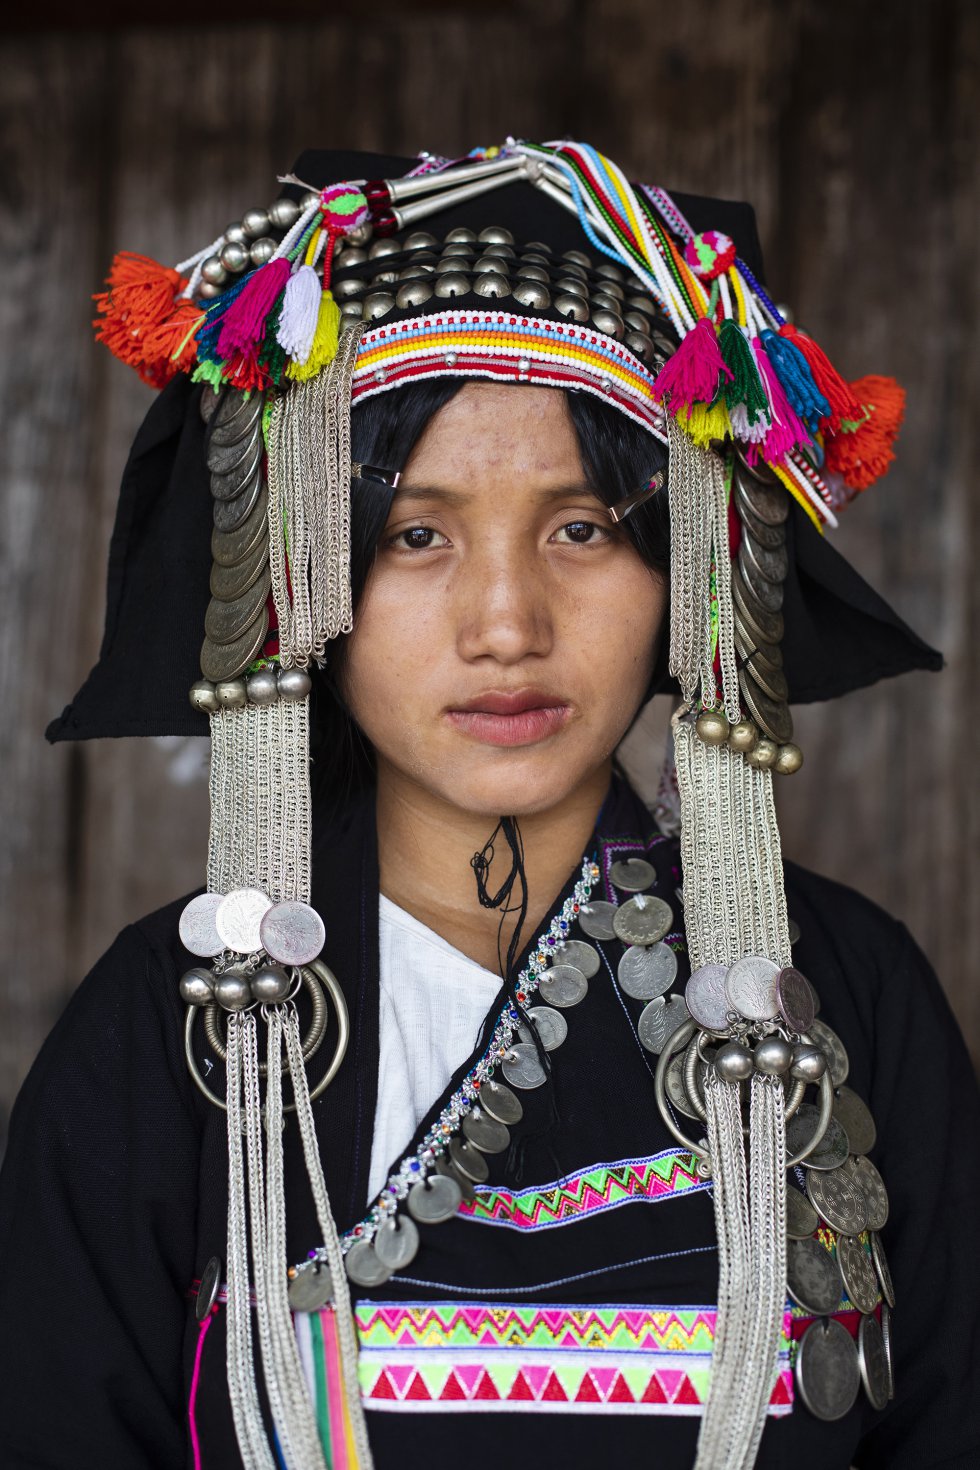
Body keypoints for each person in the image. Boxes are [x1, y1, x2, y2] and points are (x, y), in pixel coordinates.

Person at [0, 142, 977, 1470]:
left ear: (689, 565)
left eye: (581, 528)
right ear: (307, 577)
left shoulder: (848, 999)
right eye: (416, 533)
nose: (506, 623)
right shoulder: (167, 1042)